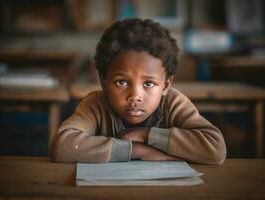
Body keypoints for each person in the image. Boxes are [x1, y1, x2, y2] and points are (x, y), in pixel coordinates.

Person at [51, 18, 226, 164]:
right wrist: (136, 150)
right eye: (121, 82)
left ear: (166, 85)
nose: (135, 96)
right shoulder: (96, 104)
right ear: (103, 82)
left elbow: (215, 149)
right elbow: (63, 147)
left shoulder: (173, 103)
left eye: (149, 84)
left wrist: (146, 135)